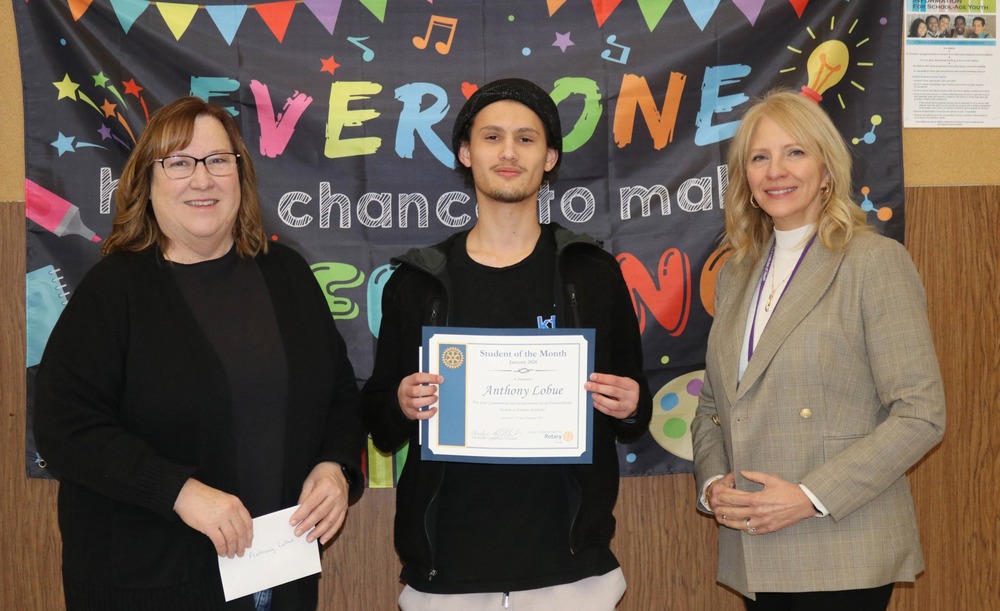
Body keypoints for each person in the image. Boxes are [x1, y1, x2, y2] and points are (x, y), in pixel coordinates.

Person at [34, 97, 365, 611]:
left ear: (241, 175)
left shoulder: (287, 276)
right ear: (147, 182)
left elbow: (340, 393)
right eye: (180, 163)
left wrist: (335, 466)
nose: (202, 179)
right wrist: (179, 491)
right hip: (149, 584)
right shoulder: (114, 290)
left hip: (279, 581)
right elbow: (65, 428)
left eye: (217, 160)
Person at [362, 78, 652, 610]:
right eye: (492, 137)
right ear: (466, 154)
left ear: (550, 157)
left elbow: (635, 410)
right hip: (445, 570)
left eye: (526, 138)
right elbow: (380, 423)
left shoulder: (592, 273)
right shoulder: (417, 281)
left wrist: (629, 402)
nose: (509, 151)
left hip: (569, 572)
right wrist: (401, 402)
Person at [691, 90, 945, 610]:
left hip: (841, 544)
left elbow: (921, 414)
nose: (775, 171)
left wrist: (809, 497)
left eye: (795, 152)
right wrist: (714, 483)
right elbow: (715, 406)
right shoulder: (736, 272)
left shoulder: (873, 261)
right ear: (744, 178)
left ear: (827, 169)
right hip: (755, 545)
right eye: (759, 158)